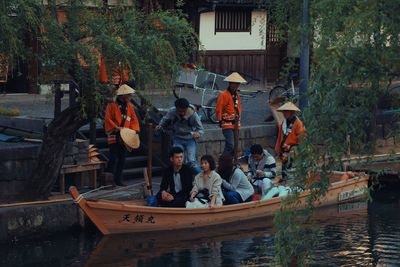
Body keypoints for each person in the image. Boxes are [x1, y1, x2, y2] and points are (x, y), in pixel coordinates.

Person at [104, 84, 140, 186]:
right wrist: (116, 127)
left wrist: (134, 130)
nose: (130, 97)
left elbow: (134, 120)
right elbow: (108, 119)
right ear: (123, 95)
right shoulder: (111, 105)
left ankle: (118, 179)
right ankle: (109, 180)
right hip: (114, 133)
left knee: (122, 158)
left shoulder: (129, 106)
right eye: (129, 95)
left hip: (125, 135)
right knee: (113, 158)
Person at [156, 98, 203, 174]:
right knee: (177, 159)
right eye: (180, 111)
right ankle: (179, 177)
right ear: (177, 109)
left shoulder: (193, 115)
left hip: (190, 139)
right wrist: (160, 126)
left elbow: (201, 129)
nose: (182, 113)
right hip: (177, 138)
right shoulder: (172, 111)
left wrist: (197, 134)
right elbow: (165, 120)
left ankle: (201, 176)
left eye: (184, 111)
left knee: (191, 161)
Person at [216, 72, 246, 155]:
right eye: (235, 83)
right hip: (227, 123)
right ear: (230, 83)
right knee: (230, 145)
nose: (237, 85)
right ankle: (224, 161)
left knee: (234, 145)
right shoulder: (223, 95)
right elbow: (219, 108)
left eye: (238, 83)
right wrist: (219, 120)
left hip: (236, 122)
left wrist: (239, 118)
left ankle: (230, 161)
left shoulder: (237, 95)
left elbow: (239, 108)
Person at [275, 102, 305, 180]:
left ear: (291, 112)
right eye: (284, 111)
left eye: (286, 111)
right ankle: (285, 179)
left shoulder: (298, 123)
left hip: (293, 149)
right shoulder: (283, 123)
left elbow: (302, 138)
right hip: (285, 149)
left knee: (291, 167)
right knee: (284, 166)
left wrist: (293, 147)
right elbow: (280, 137)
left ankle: (292, 182)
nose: (284, 113)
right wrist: (279, 149)